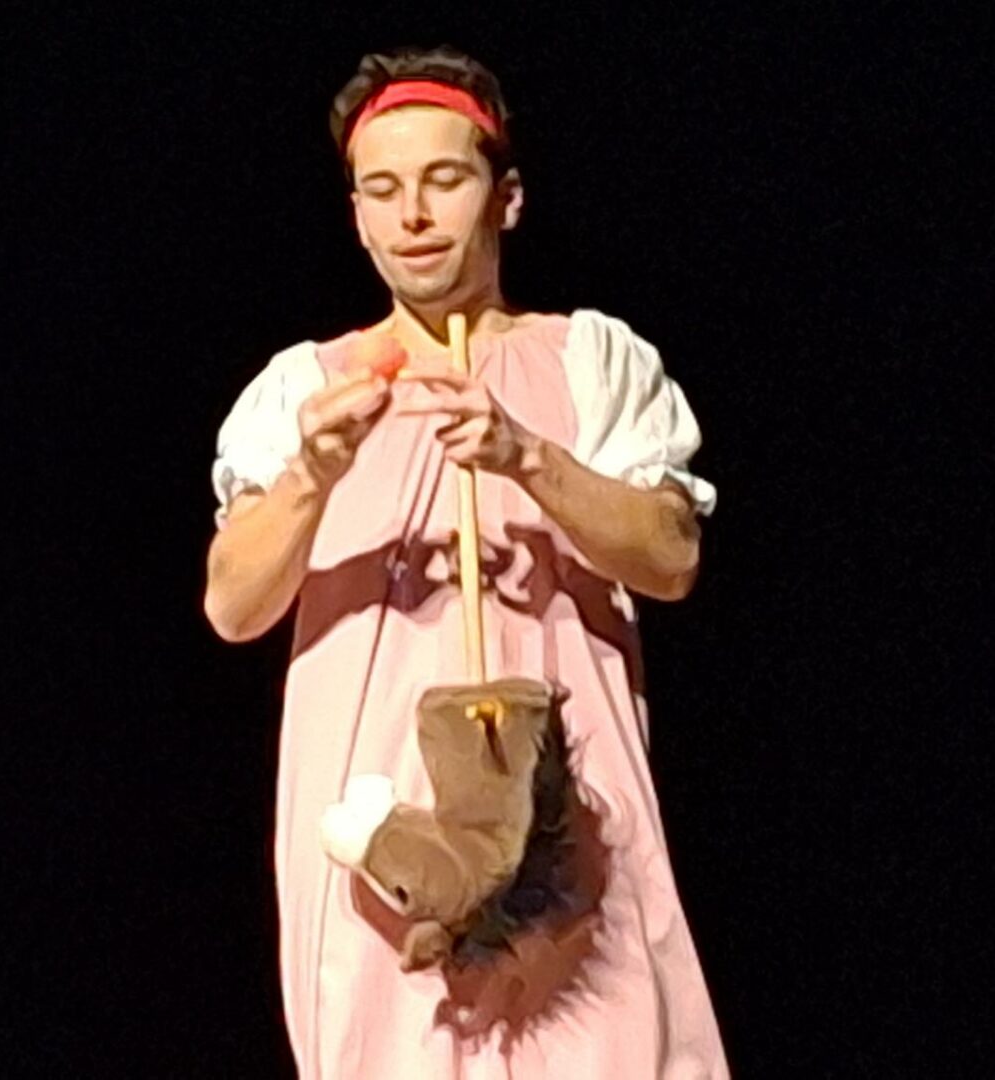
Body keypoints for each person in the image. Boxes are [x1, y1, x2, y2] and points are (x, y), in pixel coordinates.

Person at [204, 48, 730, 1077]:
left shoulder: (590, 359)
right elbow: (233, 606)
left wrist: (528, 456)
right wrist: (313, 474)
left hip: (564, 812)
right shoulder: (304, 388)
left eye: (444, 179)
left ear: (506, 197)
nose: (413, 215)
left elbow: (670, 558)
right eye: (383, 190)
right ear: (357, 216)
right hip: (374, 822)